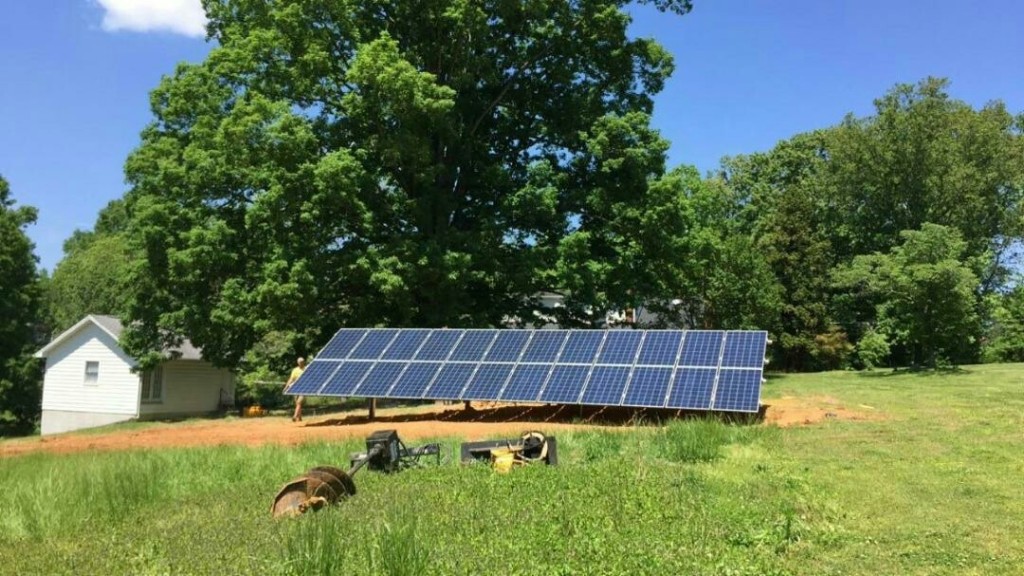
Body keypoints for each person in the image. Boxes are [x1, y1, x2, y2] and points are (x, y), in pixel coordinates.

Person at [285, 357, 306, 422]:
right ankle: (299, 417)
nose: (301, 363)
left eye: (302, 362)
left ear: (304, 362)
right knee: (297, 403)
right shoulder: (295, 370)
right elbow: (291, 379)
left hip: (304, 388)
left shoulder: (306, 369)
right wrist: (286, 387)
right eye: (300, 362)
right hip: (295, 388)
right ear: (298, 363)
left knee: (299, 402)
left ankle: (294, 416)